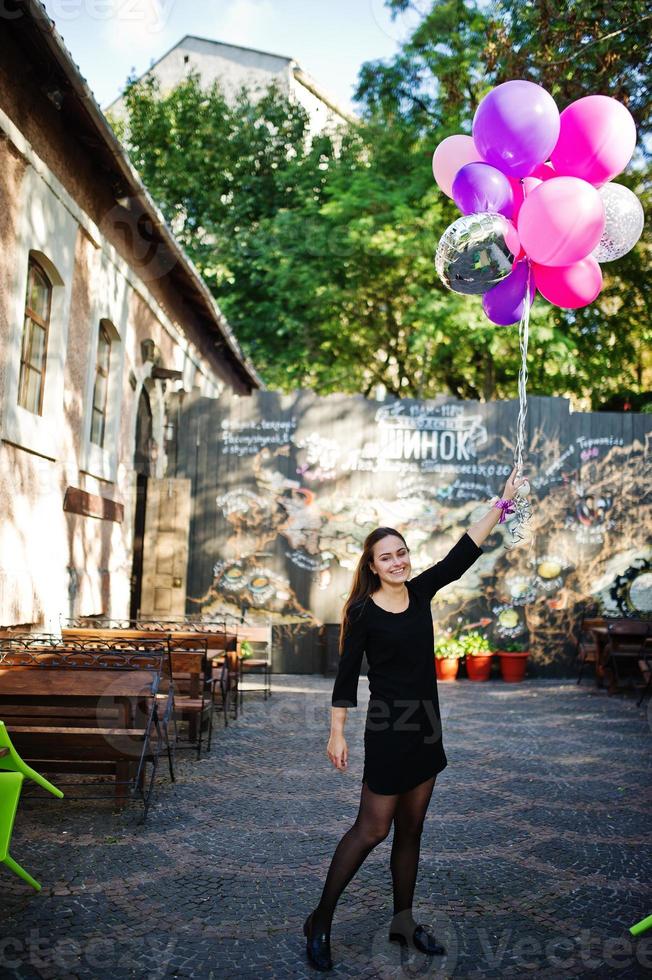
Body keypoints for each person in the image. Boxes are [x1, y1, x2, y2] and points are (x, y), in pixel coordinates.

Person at [303, 466, 527, 971]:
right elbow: (345, 677)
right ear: (373, 565)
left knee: (411, 831)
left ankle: (403, 923)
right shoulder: (362, 611)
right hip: (387, 729)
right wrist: (336, 732)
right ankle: (320, 918)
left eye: (402, 552)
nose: (398, 561)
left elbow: (463, 553)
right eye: (387, 557)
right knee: (371, 830)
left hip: (426, 726)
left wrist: (504, 501)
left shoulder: (421, 591)